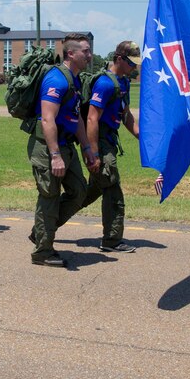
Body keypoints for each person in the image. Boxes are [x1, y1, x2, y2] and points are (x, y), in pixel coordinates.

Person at [27, 33, 100, 267]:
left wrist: (87, 147)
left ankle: (41, 231)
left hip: (67, 145)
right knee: (49, 196)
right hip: (49, 148)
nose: (90, 55)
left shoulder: (74, 79)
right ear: (71, 53)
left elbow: (75, 115)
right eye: (85, 51)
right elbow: (47, 119)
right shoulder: (56, 80)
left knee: (79, 191)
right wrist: (55, 155)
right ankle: (43, 251)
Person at [80, 41, 142, 253]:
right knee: (112, 188)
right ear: (118, 59)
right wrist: (93, 153)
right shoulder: (106, 84)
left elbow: (125, 115)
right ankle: (112, 240)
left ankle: (44, 227)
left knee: (84, 194)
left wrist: (142, 138)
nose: (134, 67)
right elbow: (91, 119)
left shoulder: (123, 83)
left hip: (109, 141)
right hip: (100, 141)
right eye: (131, 63)